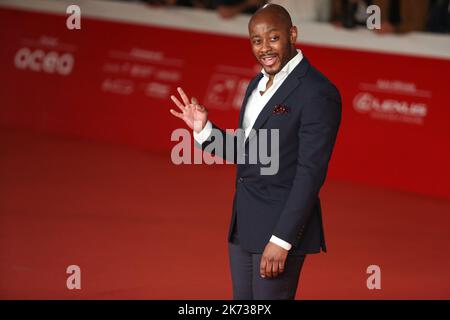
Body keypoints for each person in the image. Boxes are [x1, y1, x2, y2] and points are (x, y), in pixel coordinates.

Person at [169, 4, 341, 300]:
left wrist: (283, 239)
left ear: (292, 34)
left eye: (273, 38)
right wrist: (205, 131)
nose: (265, 48)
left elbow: (310, 173)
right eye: (256, 40)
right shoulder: (256, 84)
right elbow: (252, 152)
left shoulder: (317, 91)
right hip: (243, 224)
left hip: (278, 229)